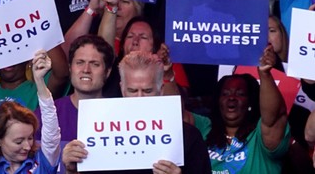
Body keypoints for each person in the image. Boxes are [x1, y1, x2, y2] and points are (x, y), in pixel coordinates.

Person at [62, 51, 211, 174]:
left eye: (147, 91)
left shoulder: (188, 137)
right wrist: (71, 171)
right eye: (133, 90)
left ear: (160, 91)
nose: (139, 97)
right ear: (122, 89)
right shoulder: (97, 134)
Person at [196, 44, 290, 173]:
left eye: (240, 94)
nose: (232, 98)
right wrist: (168, 75)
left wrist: (265, 73)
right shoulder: (205, 127)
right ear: (217, 101)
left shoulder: (260, 136)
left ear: (251, 102)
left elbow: (274, 116)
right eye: (225, 94)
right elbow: (174, 116)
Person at [0, 49, 61, 174]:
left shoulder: (42, 162)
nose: (27, 147)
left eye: (30, 138)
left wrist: (39, 81)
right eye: (19, 141)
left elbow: (51, 131)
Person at [55, 35, 114, 151]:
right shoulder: (48, 114)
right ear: (70, 68)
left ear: (107, 72)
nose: (86, 70)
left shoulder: (121, 115)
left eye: (95, 64)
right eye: (80, 62)